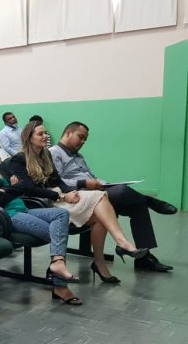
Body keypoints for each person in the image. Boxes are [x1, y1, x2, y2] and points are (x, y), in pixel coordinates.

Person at [8, 121, 147, 284]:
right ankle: (122, 243)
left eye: (45, 133)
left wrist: (69, 192)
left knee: (99, 218)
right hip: (41, 203)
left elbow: (57, 181)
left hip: (57, 196)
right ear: (29, 137)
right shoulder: (18, 159)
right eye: (40, 134)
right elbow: (30, 189)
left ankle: (100, 262)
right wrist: (61, 197)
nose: (45, 136)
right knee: (100, 196)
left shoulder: (45, 155)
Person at [0, 130, 82, 305]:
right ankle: (60, 285)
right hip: (6, 216)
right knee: (56, 234)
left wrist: (8, 190)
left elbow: (23, 186)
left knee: (61, 214)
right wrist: (14, 188)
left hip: (22, 209)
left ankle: (57, 265)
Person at [50, 121, 175, 273]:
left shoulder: (79, 156)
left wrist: (106, 184)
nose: (83, 142)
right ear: (68, 133)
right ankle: (148, 200)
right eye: (80, 137)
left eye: (85, 139)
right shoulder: (53, 153)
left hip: (96, 193)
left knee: (137, 205)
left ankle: (144, 257)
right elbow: (57, 181)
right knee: (122, 191)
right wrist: (84, 183)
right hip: (78, 196)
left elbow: (92, 177)